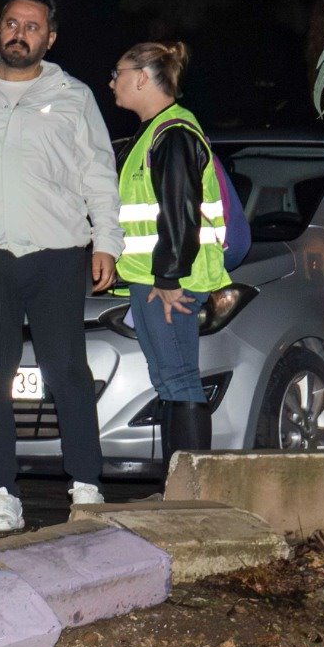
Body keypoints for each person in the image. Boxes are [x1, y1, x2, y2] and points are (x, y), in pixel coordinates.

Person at [0, 0, 120, 532]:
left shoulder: (73, 95)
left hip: (57, 253)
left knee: (67, 372)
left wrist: (107, 243)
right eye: (11, 23)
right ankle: (2, 492)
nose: (19, 33)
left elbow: (98, 174)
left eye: (31, 26)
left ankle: (86, 485)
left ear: (49, 38)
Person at [109, 40, 229, 469]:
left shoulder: (173, 132)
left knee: (178, 380)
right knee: (169, 381)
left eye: (118, 72)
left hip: (170, 283)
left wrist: (166, 279)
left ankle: (189, 492)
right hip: (155, 280)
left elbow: (180, 214)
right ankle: (180, 486)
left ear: (142, 77)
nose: (112, 82)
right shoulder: (156, 132)